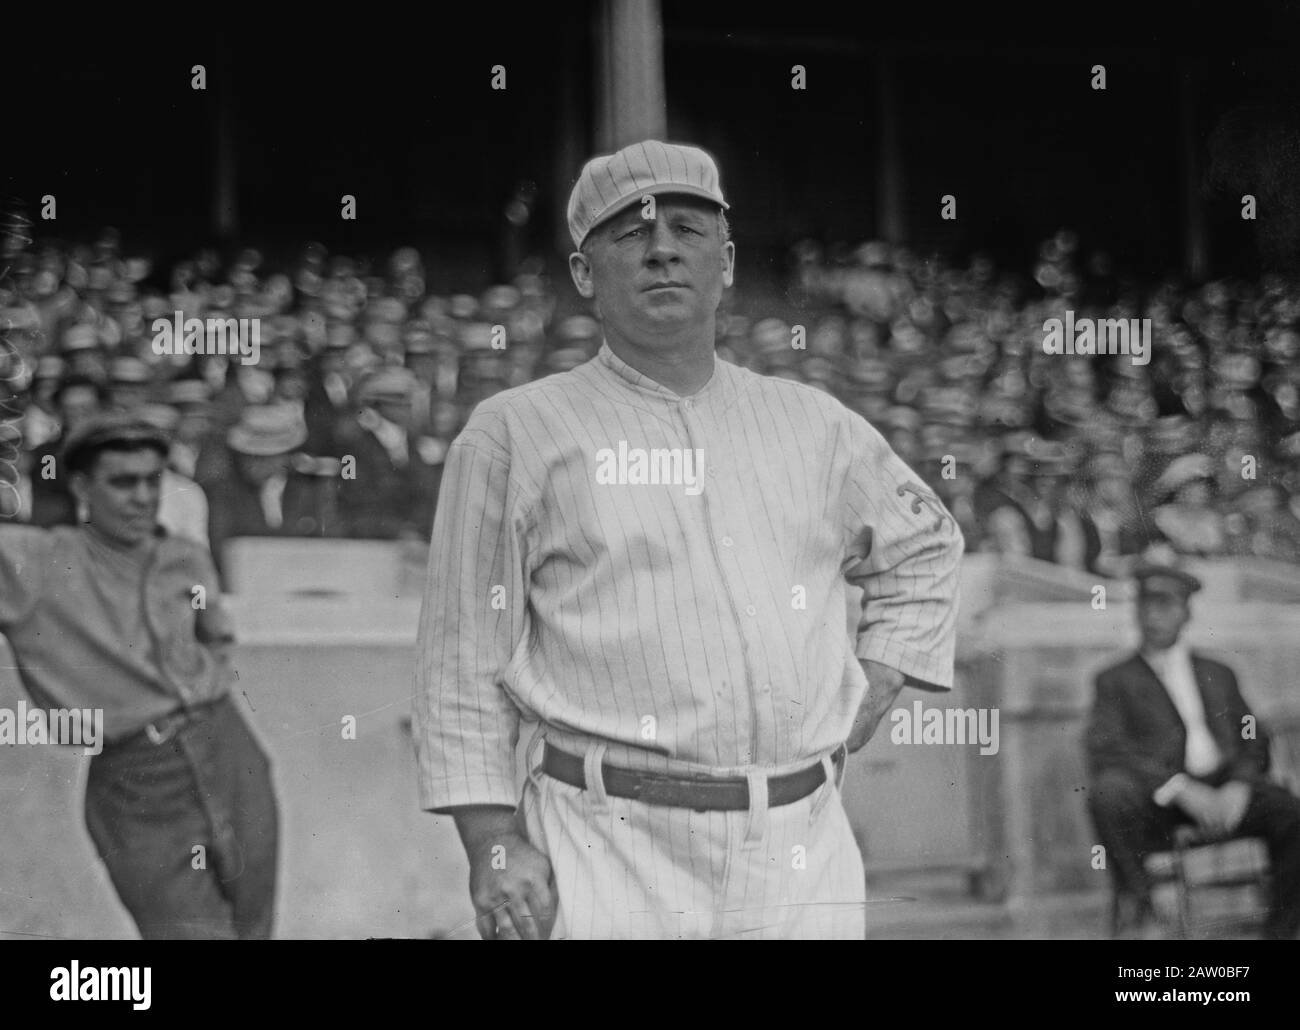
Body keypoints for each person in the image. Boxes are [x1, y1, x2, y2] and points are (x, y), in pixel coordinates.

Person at [412, 140, 964, 940]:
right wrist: (493, 841)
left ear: (728, 261)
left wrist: (870, 690)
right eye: (630, 233)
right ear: (583, 274)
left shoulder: (813, 423)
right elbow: (461, 659)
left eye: (687, 228)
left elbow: (926, 548)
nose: (662, 247)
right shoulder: (514, 434)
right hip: (611, 841)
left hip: (801, 839)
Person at [0, 411, 278, 938]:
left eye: (153, 481)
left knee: (254, 928)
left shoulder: (185, 556)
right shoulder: (36, 561)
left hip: (228, 747)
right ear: (82, 486)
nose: (143, 497)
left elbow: (215, 637)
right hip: (138, 778)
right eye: (123, 482)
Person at [1085, 552, 1300, 939]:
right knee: (1108, 793)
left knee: (1291, 813)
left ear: (1186, 613)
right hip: (1163, 803)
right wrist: (1180, 789)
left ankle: (1282, 930)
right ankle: (1144, 907)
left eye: (1166, 606)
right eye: (1146, 605)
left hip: (1225, 791)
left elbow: (1252, 736)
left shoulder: (1219, 673)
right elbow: (1108, 747)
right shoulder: (1114, 680)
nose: (1154, 617)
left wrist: (1240, 785)